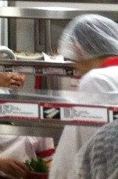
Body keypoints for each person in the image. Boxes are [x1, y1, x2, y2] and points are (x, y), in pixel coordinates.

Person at [48, 14, 118, 179]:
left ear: (77, 47)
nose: (75, 66)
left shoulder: (98, 79)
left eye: (73, 59)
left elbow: (96, 151)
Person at [0, 72, 54, 177]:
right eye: (9, 70)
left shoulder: (33, 110)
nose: (16, 77)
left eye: (21, 72)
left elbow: (48, 160)